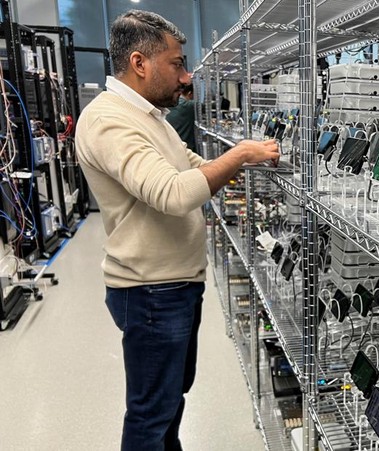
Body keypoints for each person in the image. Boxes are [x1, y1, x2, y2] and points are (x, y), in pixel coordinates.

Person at [75, 10, 279, 451]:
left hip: (174, 287)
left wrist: (248, 159)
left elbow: (194, 168)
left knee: (169, 401)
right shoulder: (108, 120)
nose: (186, 77)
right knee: (151, 413)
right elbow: (171, 193)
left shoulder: (149, 118)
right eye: (177, 63)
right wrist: (240, 155)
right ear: (139, 63)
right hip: (151, 293)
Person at [166, 83, 197, 153]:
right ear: (190, 93)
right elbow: (209, 105)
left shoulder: (169, 103)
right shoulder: (188, 106)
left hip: (171, 145)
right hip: (185, 147)